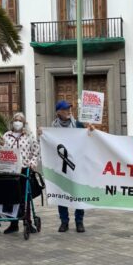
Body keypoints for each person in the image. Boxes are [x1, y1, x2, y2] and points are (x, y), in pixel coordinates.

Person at [52, 100, 94, 233]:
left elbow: (89, 138)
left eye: (69, 108)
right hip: (61, 167)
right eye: (65, 109)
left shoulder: (78, 125)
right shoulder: (52, 128)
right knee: (62, 194)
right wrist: (42, 133)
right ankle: (64, 222)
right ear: (58, 112)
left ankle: (79, 221)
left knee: (78, 192)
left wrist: (91, 130)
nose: (69, 111)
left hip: (77, 166)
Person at [0, 111, 40, 234]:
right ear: (12, 122)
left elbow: (36, 150)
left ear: (24, 123)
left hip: (24, 170)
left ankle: (28, 222)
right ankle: (13, 224)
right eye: (16, 120)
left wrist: (32, 163)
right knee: (11, 197)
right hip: (10, 170)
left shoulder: (29, 136)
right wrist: (1, 145)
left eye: (20, 120)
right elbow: (1, 153)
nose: (17, 122)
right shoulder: (6, 135)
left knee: (25, 197)